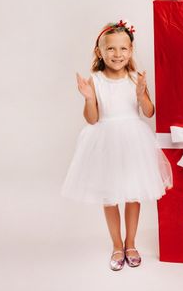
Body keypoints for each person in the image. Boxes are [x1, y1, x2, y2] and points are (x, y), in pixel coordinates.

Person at [61, 20, 172, 270]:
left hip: (134, 141)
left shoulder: (135, 78)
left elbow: (149, 112)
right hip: (105, 142)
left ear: (130, 51)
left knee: (133, 193)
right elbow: (92, 119)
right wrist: (89, 98)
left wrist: (142, 92)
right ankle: (116, 244)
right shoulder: (96, 80)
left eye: (123, 49)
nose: (117, 54)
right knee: (110, 195)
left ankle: (131, 242)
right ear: (100, 52)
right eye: (111, 49)